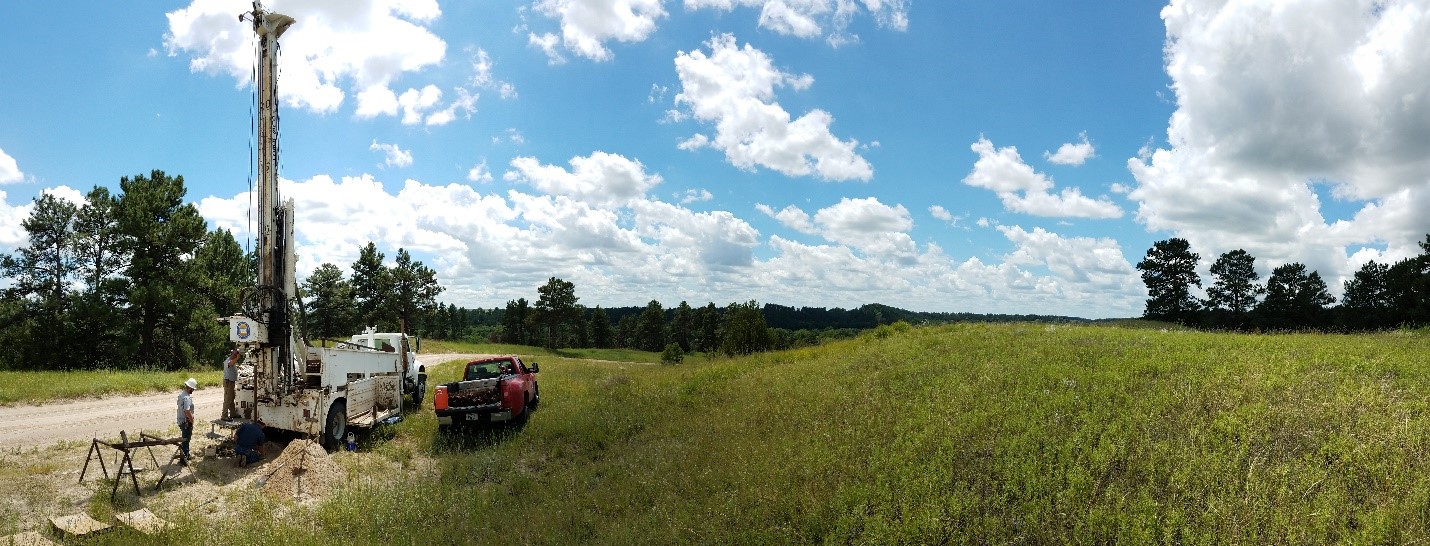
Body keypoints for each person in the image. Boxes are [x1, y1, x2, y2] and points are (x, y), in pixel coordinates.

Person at [177, 378, 197, 466]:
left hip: (181, 420)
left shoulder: (181, 394)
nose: (193, 390)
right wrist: (192, 420)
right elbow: (187, 411)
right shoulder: (187, 398)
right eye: (193, 389)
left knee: (186, 439)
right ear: (190, 388)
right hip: (186, 422)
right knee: (186, 440)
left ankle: (186, 455)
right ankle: (183, 459)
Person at [222, 349, 241, 419]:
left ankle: (233, 414)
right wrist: (237, 358)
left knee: (231, 398)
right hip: (228, 382)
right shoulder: (229, 361)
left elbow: (233, 365)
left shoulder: (232, 361)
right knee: (228, 399)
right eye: (235, 354)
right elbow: (230, 363)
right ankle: (224, 415)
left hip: (231, 382)